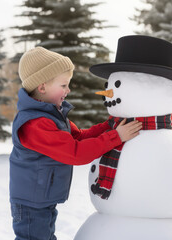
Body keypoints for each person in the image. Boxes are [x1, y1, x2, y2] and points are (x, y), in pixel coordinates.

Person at [9, 47, 142, 240]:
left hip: (41, 200)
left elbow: (79, 137)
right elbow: (75, 152)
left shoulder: (51, 116)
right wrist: (116, 137)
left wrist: (109, 127)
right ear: (42, 87)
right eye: (63, 85)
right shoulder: (35, 124)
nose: (68, 90)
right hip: (31, 204)